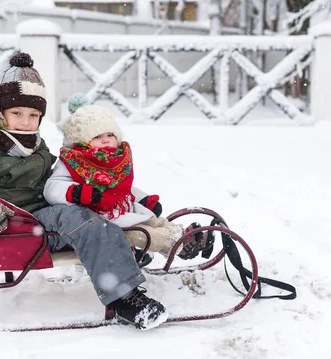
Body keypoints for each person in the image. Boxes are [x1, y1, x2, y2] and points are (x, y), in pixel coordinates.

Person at [0, 52, 168, 329]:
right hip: (15, 226)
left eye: (33, 115)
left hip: (39, 220)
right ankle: (123, 298)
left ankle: (123, 255)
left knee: (96, 211)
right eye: (16, 113)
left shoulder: (30, 142)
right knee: (84, 222)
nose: (26, 121)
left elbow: (54, 177)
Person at [43, 95, 213, 261]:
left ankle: (184, 235)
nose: (105, 140)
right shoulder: (73, 161)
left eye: (110, 135)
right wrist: (77, 192)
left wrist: (143, 199)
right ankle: (177, 245)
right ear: (82, 141)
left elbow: (122, 188)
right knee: (141, 234)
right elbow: (52, 187)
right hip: (99, 219)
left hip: (124, 208)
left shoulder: (118, 159)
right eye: (97, 136)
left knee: (153, 222)